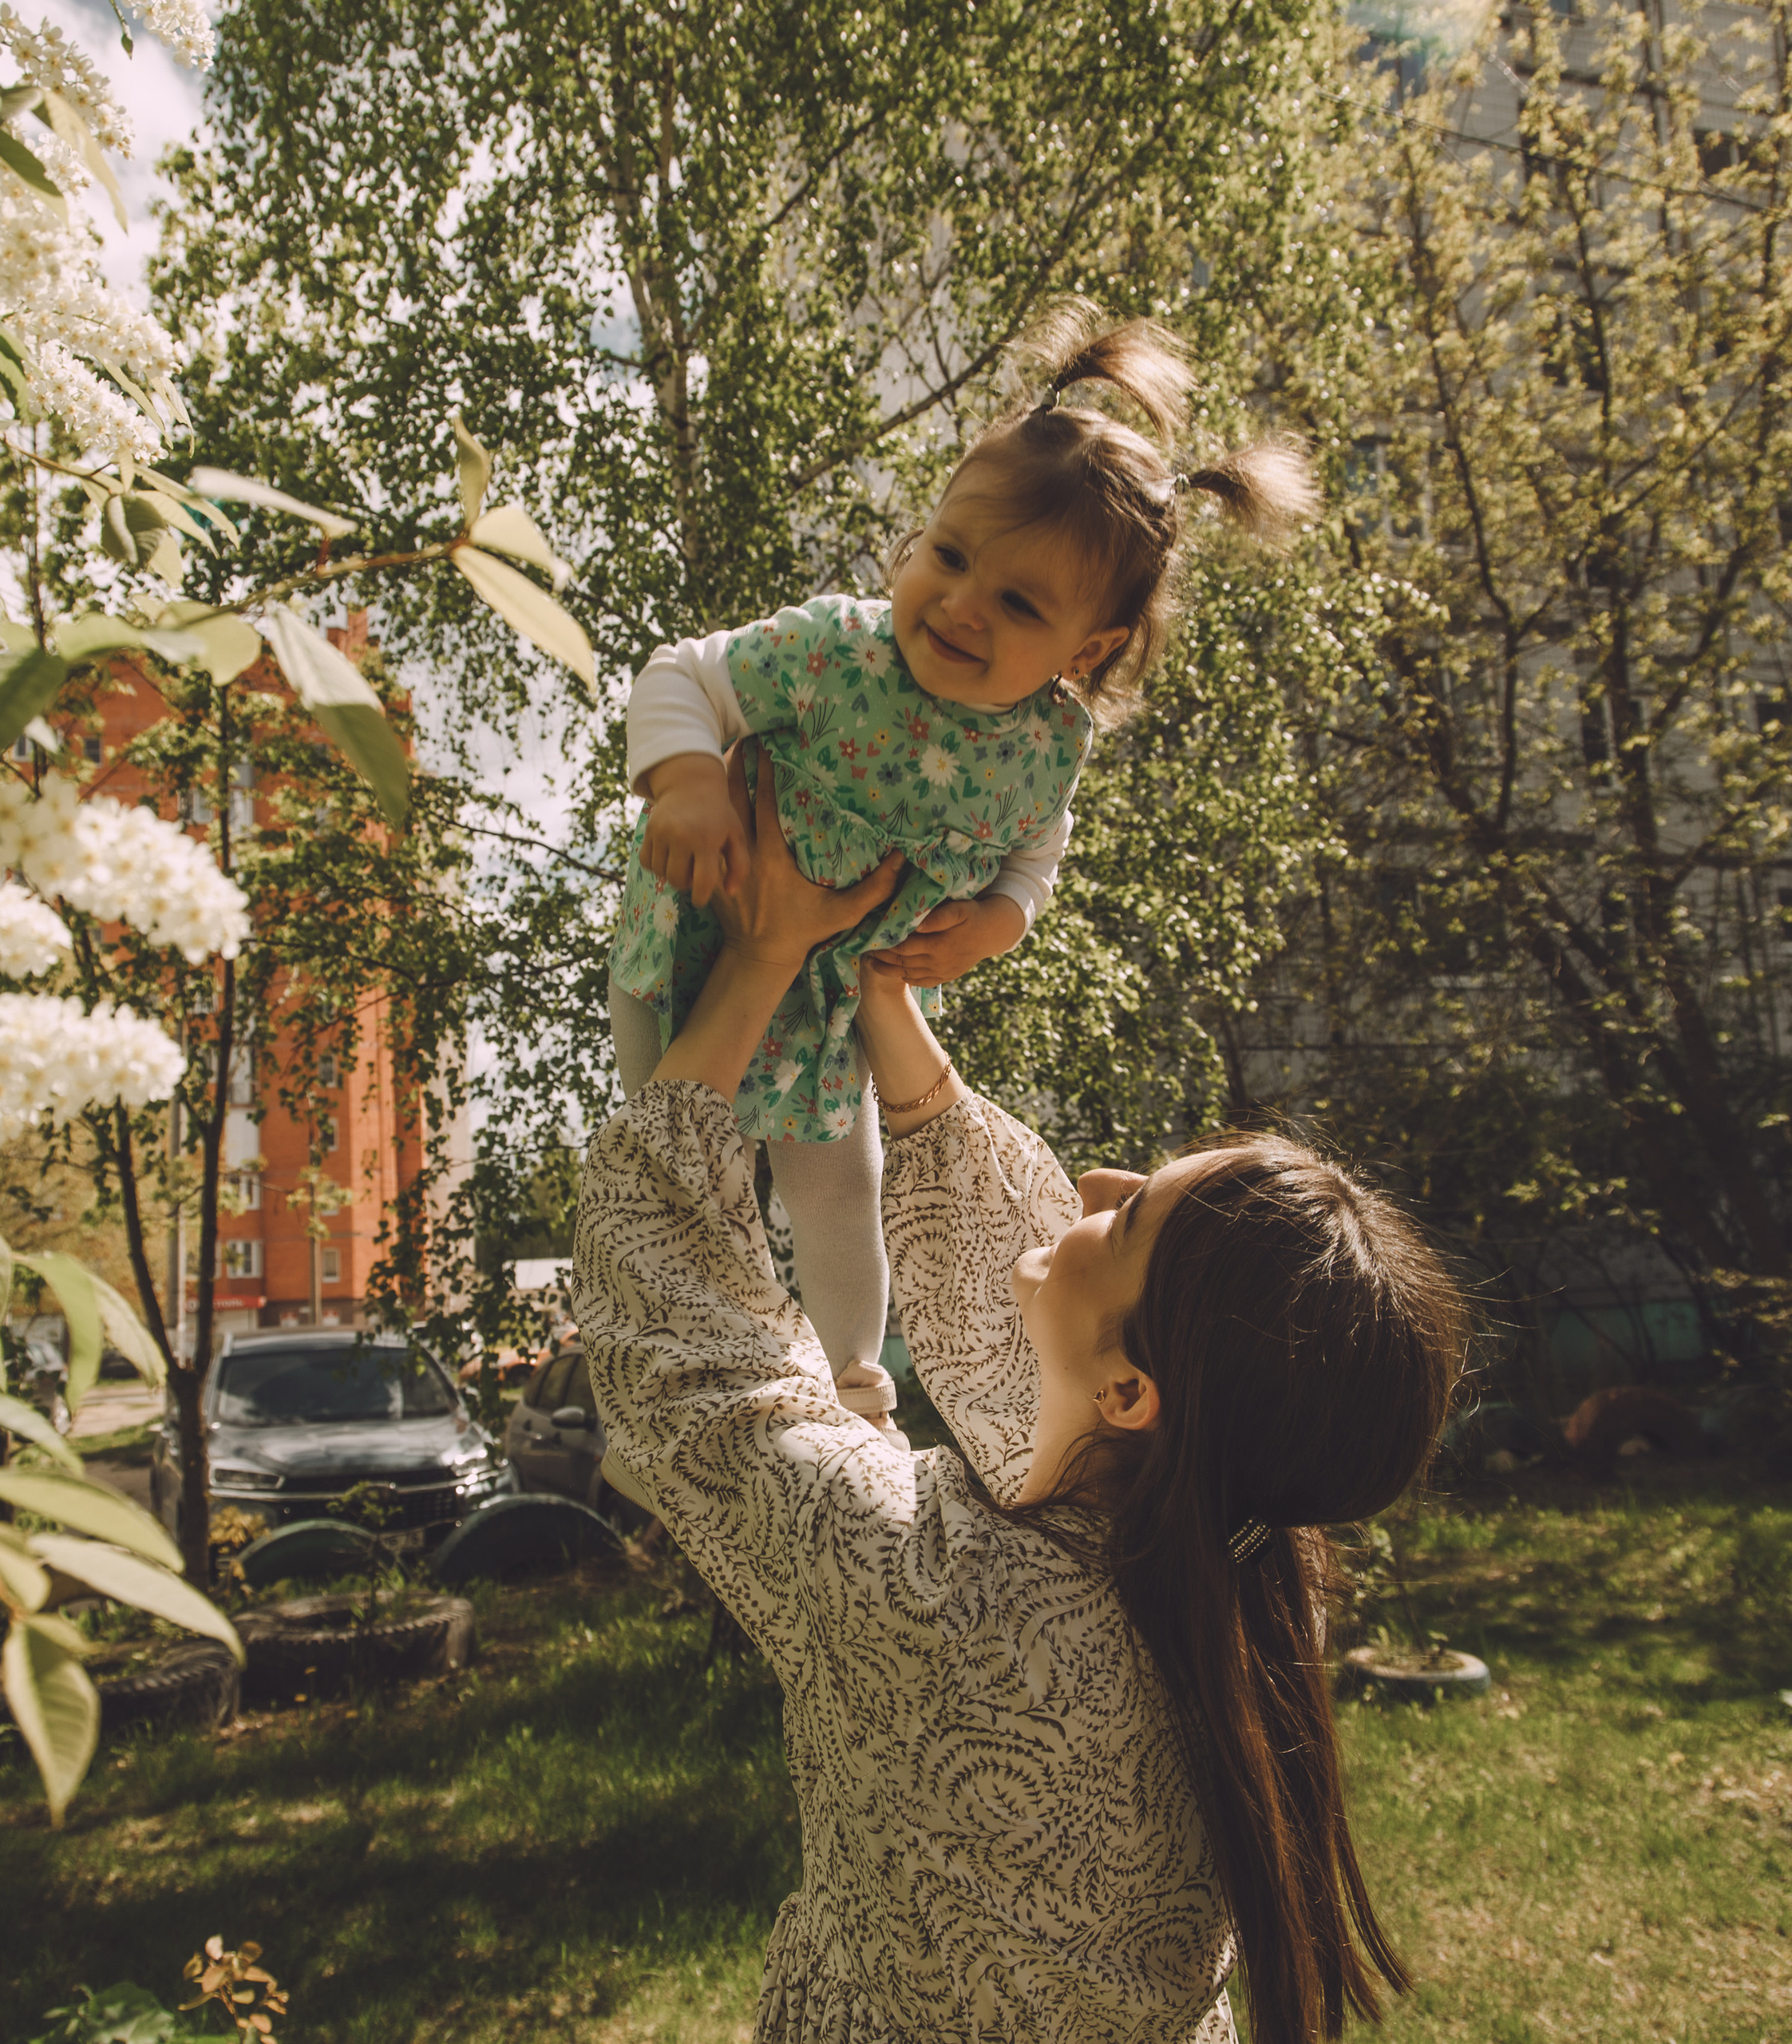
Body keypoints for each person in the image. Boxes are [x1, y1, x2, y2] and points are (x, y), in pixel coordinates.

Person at [573, 753, 1462, 2044]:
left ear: (1137, 1391)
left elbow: (691, 1345)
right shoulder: (1238, 1569)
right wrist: (875, 988)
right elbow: (1027, 1346)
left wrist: (764, 959)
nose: (1092, 1182)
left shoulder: (939, 1599)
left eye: (1133, 1211)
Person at [607, 302, 1319, 1430]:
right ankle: (668, 1359)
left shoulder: (1048, 745)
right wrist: (687, 781)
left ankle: (853, 1382)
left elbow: (1039, 850)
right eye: (949, 555)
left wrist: (1001, 921)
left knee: (844, 1185)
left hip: (830, 1005)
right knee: (666, 1155)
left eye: (1020, 602)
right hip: (691, 939)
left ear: (1084, 652)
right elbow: (679, 675)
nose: (960, 604)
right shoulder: (835, 650)